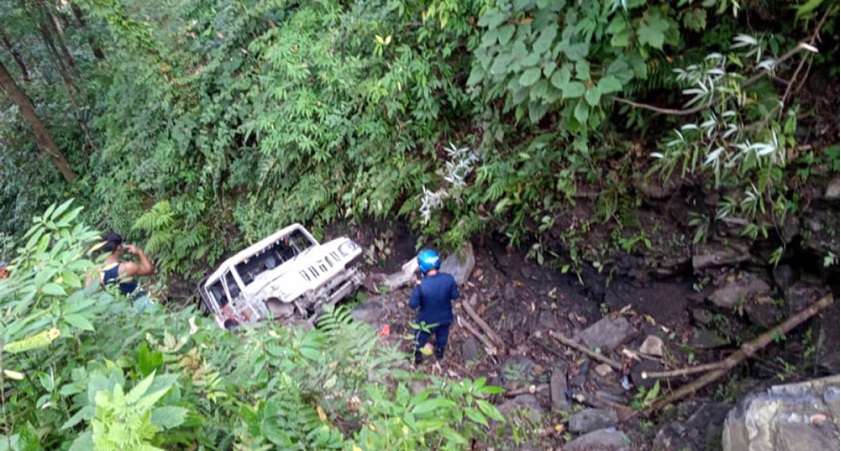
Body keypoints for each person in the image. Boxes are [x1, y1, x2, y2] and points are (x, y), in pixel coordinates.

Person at [409, 249, 459, 364]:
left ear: (422, 267)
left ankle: (417, 356)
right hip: (445, 317)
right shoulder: (449, 279)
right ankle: (440, 351)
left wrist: (416, 289)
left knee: (420, 336)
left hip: (427, 320)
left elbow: (412, 304)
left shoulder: (421, 285)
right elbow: (455, 296)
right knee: (442, 334)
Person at [94, 232, 155, 300]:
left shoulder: (94, 272)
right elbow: (149, 270)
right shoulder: (127, 268)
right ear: (119, 248)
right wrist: (139, 251)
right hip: (141, 304)